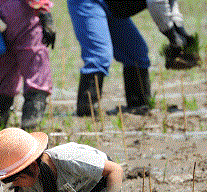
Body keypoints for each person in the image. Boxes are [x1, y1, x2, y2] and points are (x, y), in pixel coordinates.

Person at [70, 0, 199, 117]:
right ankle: (86, 112)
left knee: (137, 53)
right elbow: (156, 3)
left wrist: (181, 30)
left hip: (113, 6)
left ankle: (138, 105)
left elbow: (171, 4)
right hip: (88, 3)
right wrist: (172, 35)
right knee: (99, 56)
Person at [0, 0, 55, 130]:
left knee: (6, 69)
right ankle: (30, 125)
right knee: (36, 67)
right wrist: (44, 10)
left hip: (1, 15)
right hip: (25, 14)